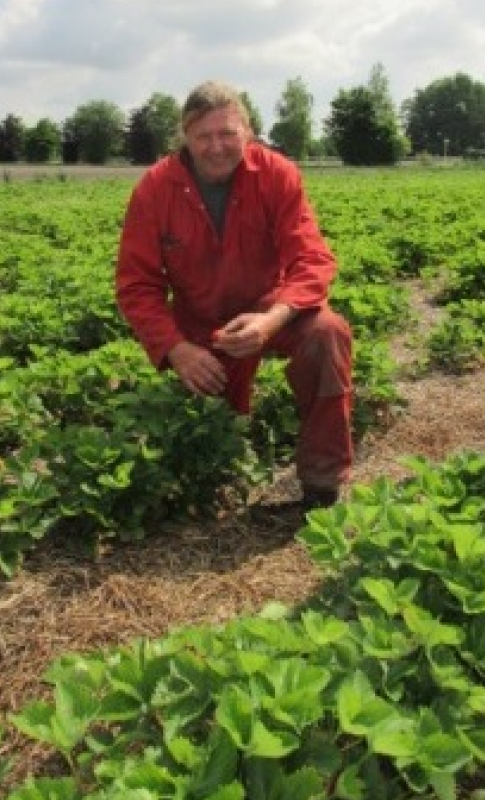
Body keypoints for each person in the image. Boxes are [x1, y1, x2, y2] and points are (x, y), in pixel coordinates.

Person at [116, 79, 353, 510]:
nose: (217, 146)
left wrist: (271, 319)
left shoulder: (276, 174)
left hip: (271, 309)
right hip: (201, 330)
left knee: (327, 332)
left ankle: (321, 483)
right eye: (204, 136)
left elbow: (311, 258)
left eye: (228, 133)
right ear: (185, 137)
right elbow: (137, 285)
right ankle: (223, 457)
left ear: (247, 130)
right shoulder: (155, 189)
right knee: (207, 440)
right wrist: (177, 350)